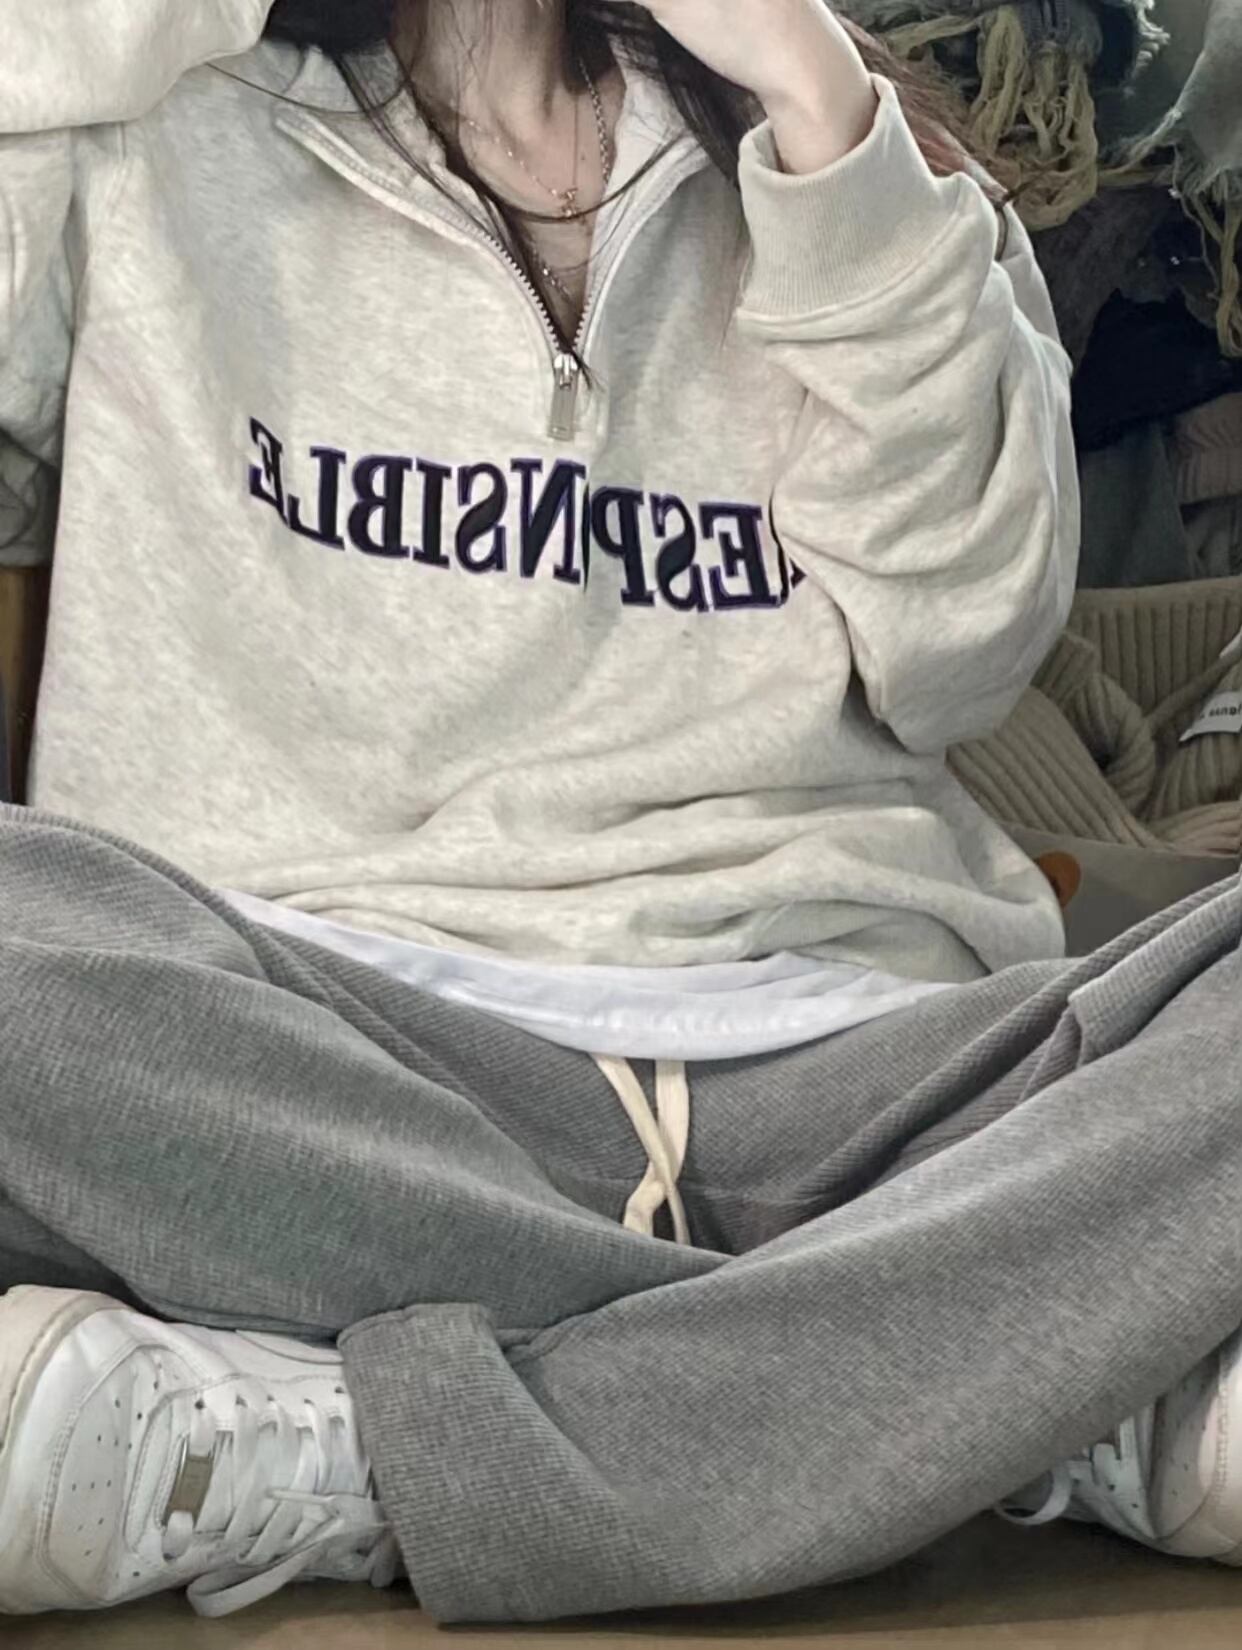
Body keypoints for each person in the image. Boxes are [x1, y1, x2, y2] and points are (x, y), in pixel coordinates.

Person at [2, 0, 1241, 1625]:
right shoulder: (131, 117)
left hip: (859, 1087)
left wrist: (814, 102)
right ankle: (1019, 1382)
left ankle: (368, 1448)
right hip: (336, 1074)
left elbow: (964, 652)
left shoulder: (863, 157)